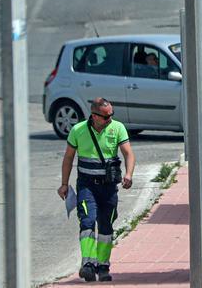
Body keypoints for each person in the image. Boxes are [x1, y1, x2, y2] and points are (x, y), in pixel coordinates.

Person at [58, 97, 135, 282]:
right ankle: (88, 264)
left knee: (106, 225)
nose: (110, 119)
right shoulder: (78, 130)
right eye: (106, 116)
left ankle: (103, 266)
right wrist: (64, 183)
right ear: (95, 116)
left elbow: (128, 153)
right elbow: (68, 158)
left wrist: (129, 174)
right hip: (87, 186)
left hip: (109, 187)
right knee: (87, 221)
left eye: (111, 115)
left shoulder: (117, 128)